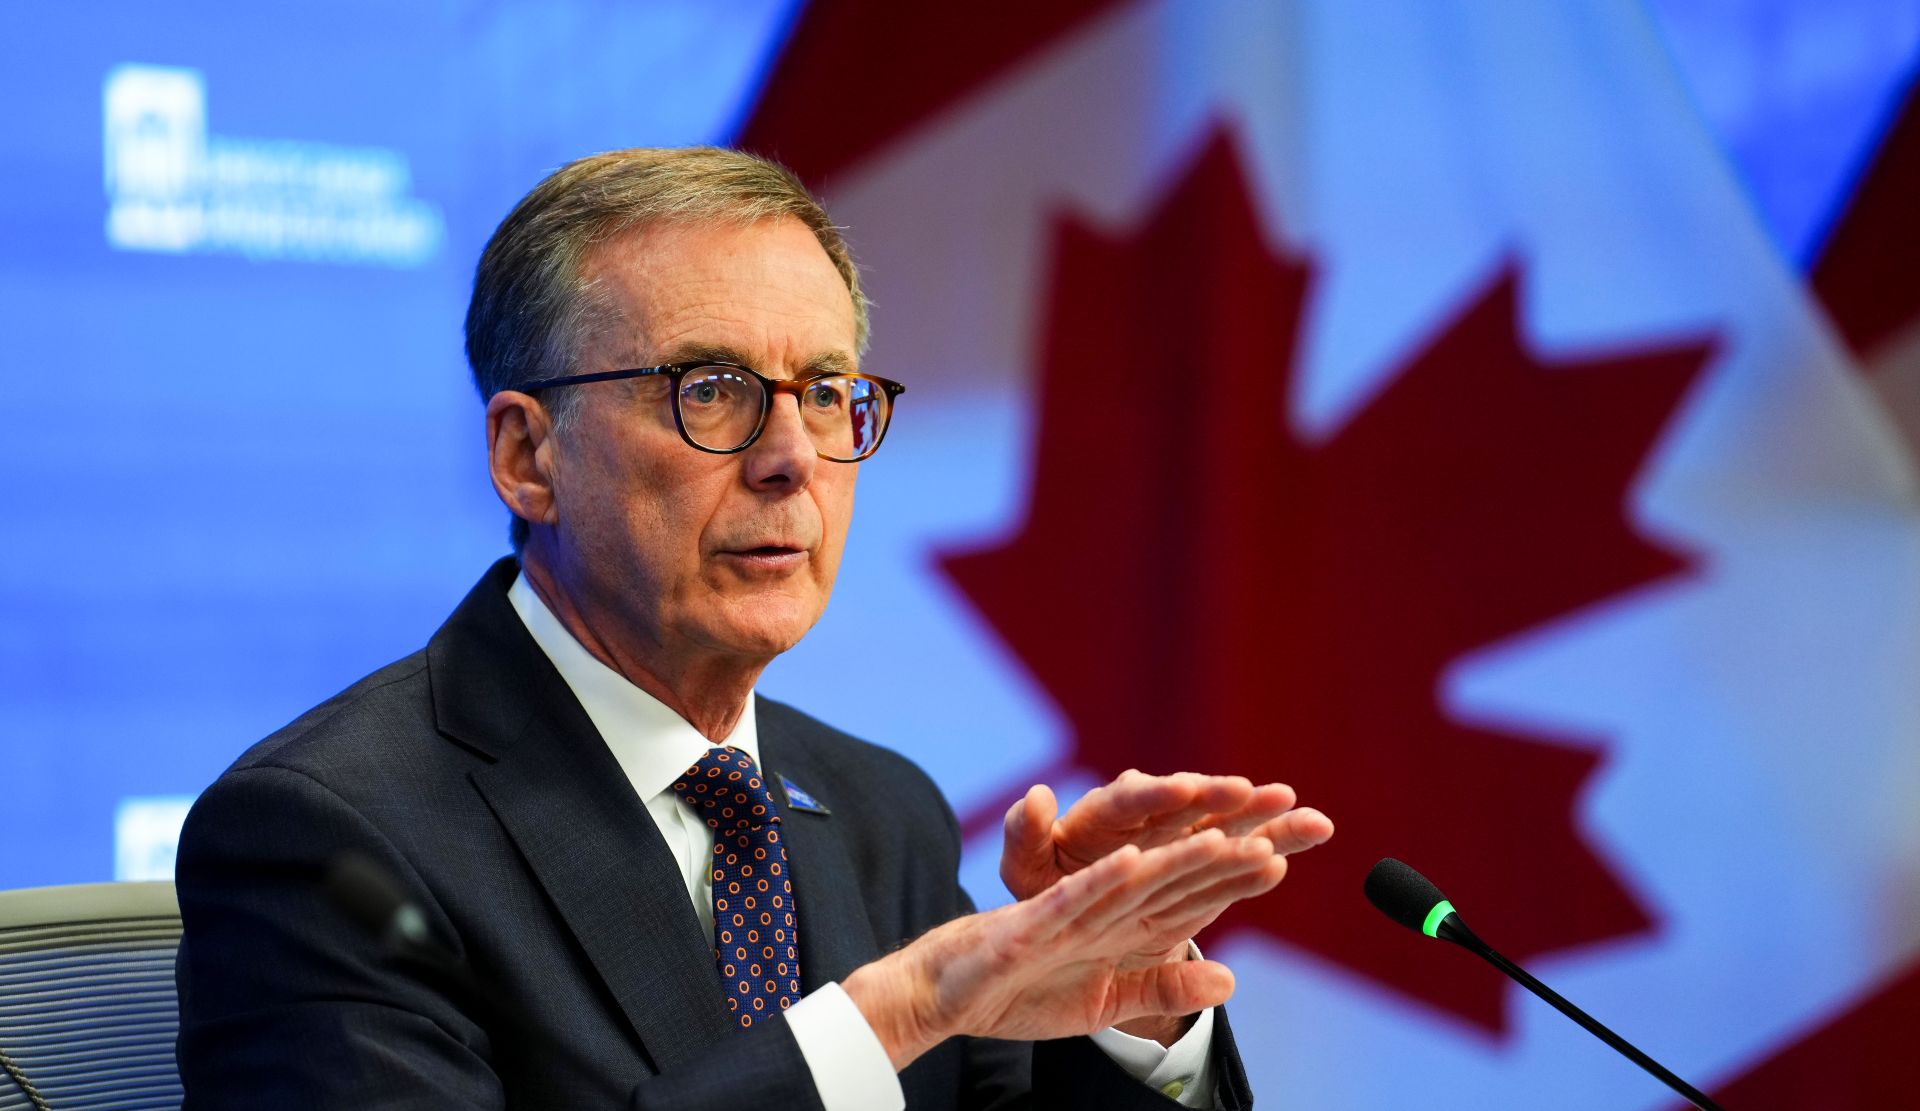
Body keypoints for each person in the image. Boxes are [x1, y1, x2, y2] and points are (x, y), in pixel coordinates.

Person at [173, 146, 1334, 1110]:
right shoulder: (329, 834)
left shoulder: (884, 812)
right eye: (710, 388)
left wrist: (1126, 1013)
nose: (791, 460)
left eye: (828, 392)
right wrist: (894, 1014)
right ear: (530, 457)